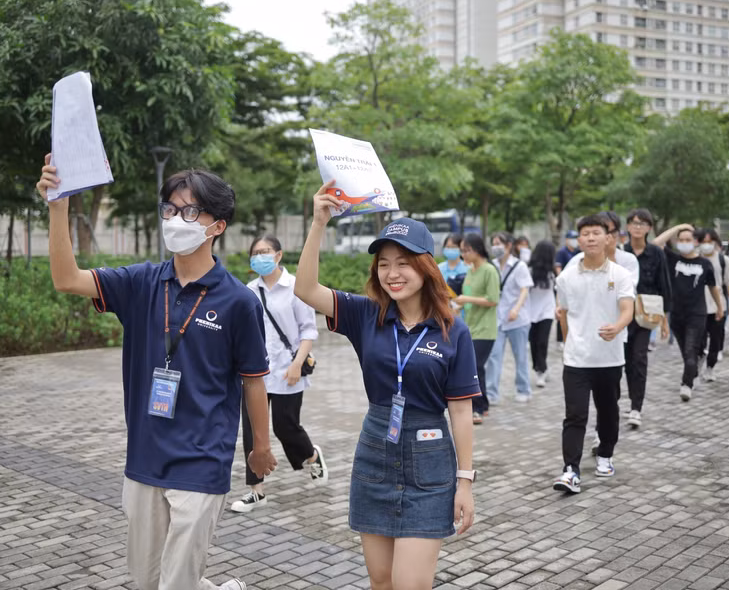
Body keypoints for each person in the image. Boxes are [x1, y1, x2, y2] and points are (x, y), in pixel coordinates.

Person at [36, 157, 276, 590]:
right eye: (169, 209)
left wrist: (260, 449)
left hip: (203, 461)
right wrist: (58, 207)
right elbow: (66, 278)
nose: (175, 220)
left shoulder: (240, 302)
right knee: (148, 583)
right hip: (144, 458)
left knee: (176, 584)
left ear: (216, 226)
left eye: (188, 211)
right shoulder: (141, 282)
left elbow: (253, 380)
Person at [294, 180, 478, 590]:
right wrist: (318, 223)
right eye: (383, 264)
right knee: (381, 582)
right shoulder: (367, 314)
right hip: (376, 447)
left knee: (410, 584)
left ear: (426, 266)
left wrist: (465, 481)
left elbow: (461, 410)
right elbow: (305, 289)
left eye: (404, 263)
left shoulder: (453, 330)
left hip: (430, 455)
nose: (392, 274)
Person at [230, 234, 327, 514]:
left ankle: (311, 455)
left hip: (287, 370)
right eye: (255, 252)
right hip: (254, 373)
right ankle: (256, 491)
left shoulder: (297, 287)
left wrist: (297, 364)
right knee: (251, 429)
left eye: (265, 251)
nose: (260, 256)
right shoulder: (248, 290)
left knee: (285, 427)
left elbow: (308, 329)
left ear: (279, 255)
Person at [552, 214, 635, 494]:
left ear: (607, 238)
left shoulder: (620, 275)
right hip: (576, 358)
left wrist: (618, 326)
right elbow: (563, 314)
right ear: (579, 239)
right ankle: (570, 471)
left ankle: (605, 454)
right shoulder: (566, 277)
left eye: (596, 233)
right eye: (585, 233)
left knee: (608, 411)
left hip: (609, 358)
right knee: (574, 414)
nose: (590, 238)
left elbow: (628, 309)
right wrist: (567, 344)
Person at [653, 224, 723, 402]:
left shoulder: (705, 264)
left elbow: (713, 288)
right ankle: (695, 367)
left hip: (697, 313)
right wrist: (679, 227)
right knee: (686, 352)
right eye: (681, 240)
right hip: (677, 314)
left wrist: (720, 307)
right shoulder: (672, 259)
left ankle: (686, 384)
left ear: (696, 242)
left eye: (688, 240)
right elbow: (655, 244)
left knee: (690, 350)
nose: (684, 243)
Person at [623, 208, 672, 430]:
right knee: (625, 361)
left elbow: (665, 287)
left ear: (649, 228)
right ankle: (631, 399)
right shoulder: (620, 253)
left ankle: (636, 407)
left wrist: (664, 320)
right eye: (634, 223)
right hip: (622, 315)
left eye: (642, 223)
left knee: (639, 357)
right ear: (627, 226)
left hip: (646, 315)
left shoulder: (656, 254)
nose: (637, 227)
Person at [454, 233, 500, 424]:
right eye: (462, 251)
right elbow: (467, 298)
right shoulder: (471, 271)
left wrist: (466, 299)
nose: (463, 254)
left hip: (486, 329)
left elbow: (493, 300)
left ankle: (478, 408)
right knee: (474, 367)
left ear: (477, 250)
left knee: (475, 367)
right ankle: (484, 404)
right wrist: (458, 305)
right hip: (470, 327)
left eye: (466, 250)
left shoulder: (489, 270)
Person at [484, 232, 534, 403]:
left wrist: (516, 309)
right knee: (494, 357)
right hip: (497, 319)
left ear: (508, 245)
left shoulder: (519, 266)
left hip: (517, 320)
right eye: (494, 243)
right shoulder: (492, 265)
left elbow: (525, 290)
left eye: (499, 243)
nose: (496, 247)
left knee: (520, 356)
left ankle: (523, 389)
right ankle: (491, 393)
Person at [695, 229, 729, 381]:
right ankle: (699, 359)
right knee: (698, 339)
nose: (706, 245)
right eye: (703, 242)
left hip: (718, 306)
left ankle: (710, 368)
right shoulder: (694, 259)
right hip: (698, 306)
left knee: (716, 339)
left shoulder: (724, 260)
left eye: (709, 241)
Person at [527, 240, 557, 388]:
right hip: (531, 312)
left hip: (547, 311)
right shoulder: (529, 271)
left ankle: (541, 370)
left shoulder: (552, 272)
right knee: (533, 342)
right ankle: (539, 367)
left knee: (542, 342)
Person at [555, 230, 581, 350]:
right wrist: (562, 281)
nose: (574, 240)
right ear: (566, 239)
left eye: (576, 238)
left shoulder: (578, 252)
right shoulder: (562, 252)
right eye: (572, 238)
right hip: (565, 285)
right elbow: (558, 268)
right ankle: (561, 339)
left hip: (577, 286)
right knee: (562, 312)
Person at [438, 233, 469, 297]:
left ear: (461, 248)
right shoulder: (438, 268)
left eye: (453, 247)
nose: (450, 249)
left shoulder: (468, 268)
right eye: (448, 247)